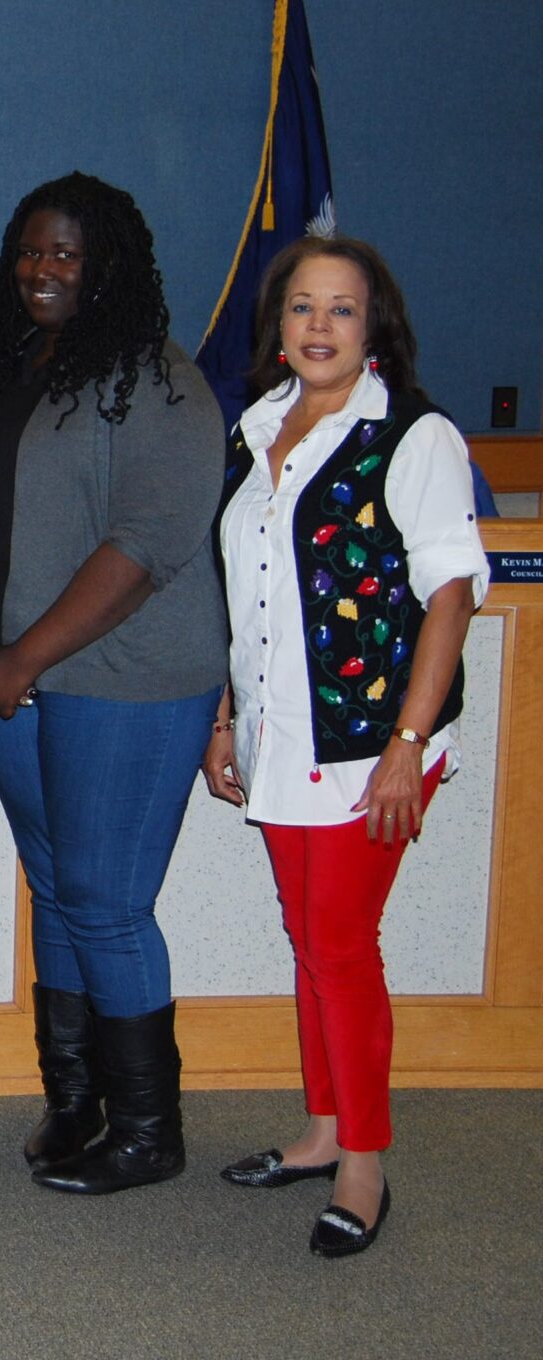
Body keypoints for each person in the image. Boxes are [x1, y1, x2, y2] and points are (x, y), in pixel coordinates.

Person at [206, 236, 486, 1258]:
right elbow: (251, 599)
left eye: (340, 310)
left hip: (372, 746)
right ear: (275, 325)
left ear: (373, 328)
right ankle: (321, 1130)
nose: (316, 326)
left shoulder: (411, 436)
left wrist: (409, 742)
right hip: (280, 735)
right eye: (300, 308)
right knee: (309, 938)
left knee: (338, 946)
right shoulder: (256, 429)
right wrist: (227, 719)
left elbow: (449, 592)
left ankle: (363, 1164)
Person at [0, 172, 226, 1195]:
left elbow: (146, 544)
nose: (41, 269)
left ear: (107, 262)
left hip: (126, 679)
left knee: (104, 900)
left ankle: (148, 1129)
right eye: (28, 250)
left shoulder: (154, 380)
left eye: (66, 252)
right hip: (13, 677)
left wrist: (17, 658)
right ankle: (75, 1101)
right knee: (57, 886)